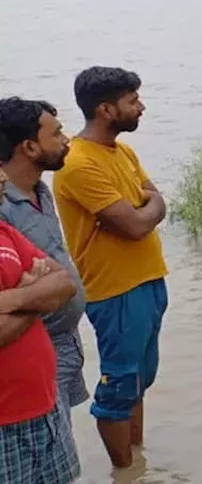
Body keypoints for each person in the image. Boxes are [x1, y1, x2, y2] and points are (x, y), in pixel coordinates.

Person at [52, 66, 168, 468]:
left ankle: (138, 461)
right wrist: (143, 210)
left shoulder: (123, 152)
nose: (141, 107)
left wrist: (145, 208)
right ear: (106, 109)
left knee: (140, 380)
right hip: (115, 290)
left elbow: (157, 203)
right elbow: (137, 224)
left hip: (150, 280)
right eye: (132, 101)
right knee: (119, 387)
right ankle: (125, 472)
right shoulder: (78, 163)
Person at [0, 98, 89, 417]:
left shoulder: (39, 190)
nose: (66, 140)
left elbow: (53, 274)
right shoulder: (4, 208)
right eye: (57, 134)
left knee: (62, 434)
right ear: (30, 147)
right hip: (30, 350)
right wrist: (37, 295)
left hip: (65, 341)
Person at [0, 219, 81, 484]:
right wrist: (37, 295)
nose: (2, 176)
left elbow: (64, 283)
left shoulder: (4, 230)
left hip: (46, 408)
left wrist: (15, 298)